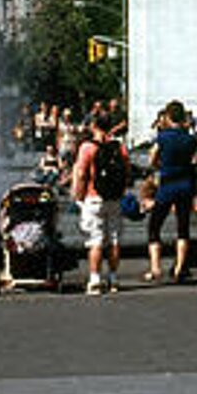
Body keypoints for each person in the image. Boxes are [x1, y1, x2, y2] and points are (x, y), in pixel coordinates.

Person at [71, 112, 129, 295]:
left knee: (95, 240)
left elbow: (81, 174)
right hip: (114, 198)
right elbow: (127, 172)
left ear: (94, 126)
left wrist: (79, 196)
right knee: (113, 239)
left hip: (94, 197)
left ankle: (95, 279)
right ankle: (113, 278)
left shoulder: (87, 147)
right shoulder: (120, 147)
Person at [143, 100, 197, 283]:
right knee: (183, 227)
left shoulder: (163, 137)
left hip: (167, 184)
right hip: (185, 184)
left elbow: (152, 158)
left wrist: (160, 165)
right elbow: (194, 159)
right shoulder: (190, 139)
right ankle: (180, 268)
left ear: (167, 116)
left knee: (155, 226)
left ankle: (155, 268)